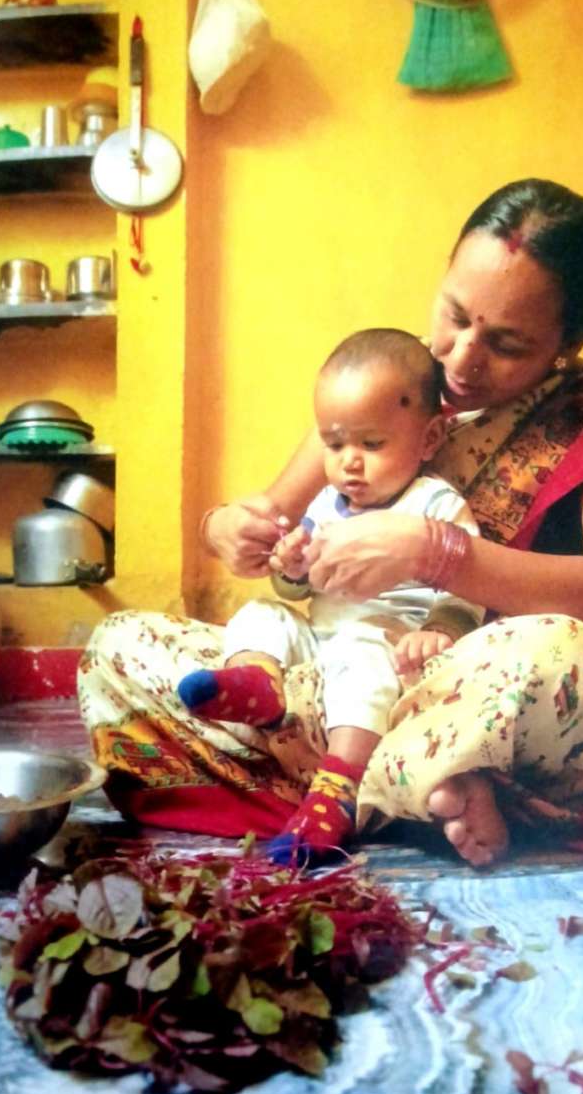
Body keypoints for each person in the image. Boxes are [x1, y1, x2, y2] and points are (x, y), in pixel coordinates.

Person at [78, 178, 583, 867]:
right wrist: (225, 528)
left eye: (507, 343)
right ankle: (421, 787)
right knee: (119, 646)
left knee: (570, 656)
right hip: (337, 683)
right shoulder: (396, 381)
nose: (461, 357)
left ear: (570, 340)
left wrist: (438, 553)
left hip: (470, 692)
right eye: (454, 314)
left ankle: (372, 784)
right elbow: (270, 518)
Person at [175, 328, 483, 861]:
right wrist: (292, 566)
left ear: (430, 438)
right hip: (318, 650)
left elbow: (466, 589)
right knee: (263, 611)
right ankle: (257, 682)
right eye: (334, 445)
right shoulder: (324, 504)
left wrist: (439, 630)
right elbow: (295, 587)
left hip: (389, 651)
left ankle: (338, 788)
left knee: (361, 650)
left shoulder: (435, 503)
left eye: (371, 444)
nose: (349, 463)